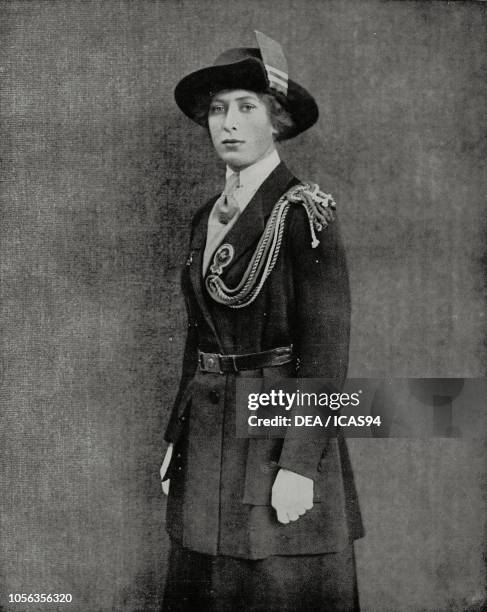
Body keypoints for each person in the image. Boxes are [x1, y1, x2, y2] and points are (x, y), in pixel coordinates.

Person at [160, 31, 364, 611]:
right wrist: (177, 437)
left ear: (276, 121)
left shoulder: (304, 212)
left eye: (246, 108)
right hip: (207, 439)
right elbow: (198, 335)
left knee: (275, 589)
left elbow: (325, 349)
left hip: (275, 435)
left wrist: (299, 464)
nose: (228, 123)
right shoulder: (206, 216)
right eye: (219, 109)